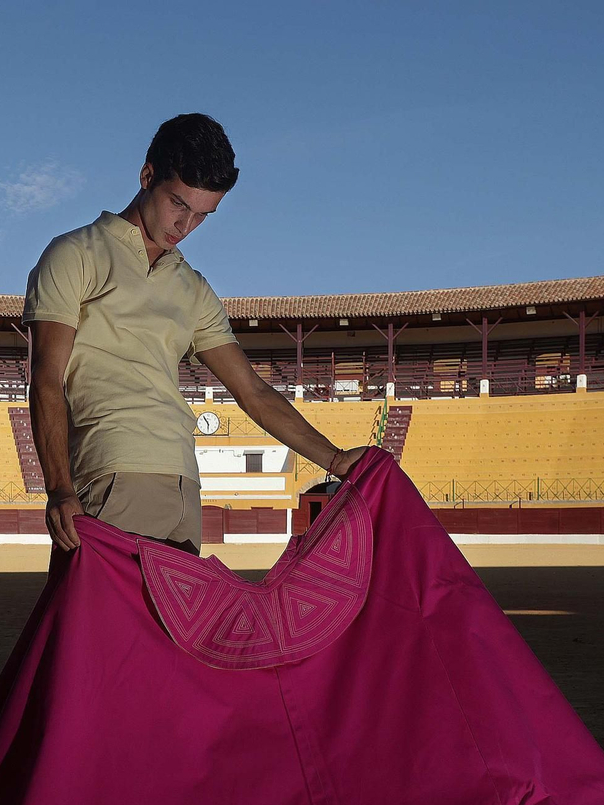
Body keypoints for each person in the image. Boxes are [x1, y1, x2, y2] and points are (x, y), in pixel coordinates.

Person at [22, 113, 368, 556]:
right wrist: (58, 488)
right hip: (112, 470)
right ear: (147, 176)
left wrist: (335, 460)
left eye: (203, 215)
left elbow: (253, 392)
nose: (185, 226)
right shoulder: (75, 254)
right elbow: (46, 378)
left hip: (185, 482)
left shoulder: (193, 287)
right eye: (179, 204)